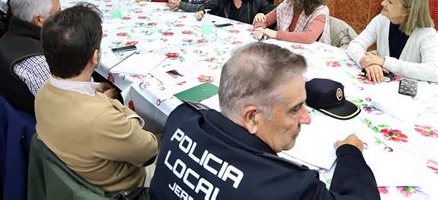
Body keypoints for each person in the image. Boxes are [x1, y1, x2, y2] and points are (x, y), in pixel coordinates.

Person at [149, 43, 380, 199]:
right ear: (251, 117)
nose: (306, 118)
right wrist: (350, 153)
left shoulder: (181, 117)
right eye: (295, 109)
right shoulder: (290, 187)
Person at [36, 4, 158, 192]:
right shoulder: (98, 119)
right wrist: (129, 115)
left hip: (81, 170)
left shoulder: (44, 92)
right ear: (94, 56)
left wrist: (103, 98)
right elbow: (150, 151)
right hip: (128, 188)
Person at [348, 0, 437, 83]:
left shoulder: (427, 34)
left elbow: (434, 71)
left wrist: (384, 62)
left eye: (390, 1)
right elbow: (355, 45)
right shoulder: (381, 20)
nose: (383, 3)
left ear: (406, 11)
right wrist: (369, 63)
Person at [0, 0, 60, 115]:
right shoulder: (37, 61)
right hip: (45, 124)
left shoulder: (9, 37)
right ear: (39, 20)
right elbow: (65, 106)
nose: (62, 17)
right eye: (58, 13)